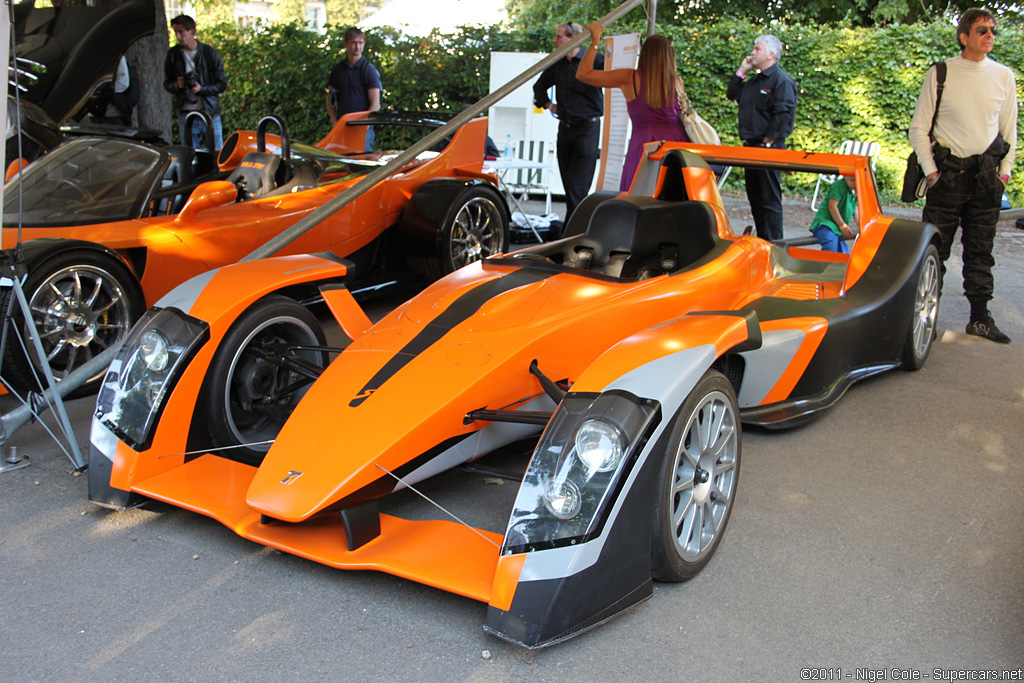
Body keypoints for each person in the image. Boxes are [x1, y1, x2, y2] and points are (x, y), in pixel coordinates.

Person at [909, 8, 1017, 344]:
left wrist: (1005, 171)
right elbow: (918, 128)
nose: (990, 36)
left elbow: (1009, 129)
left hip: (986, 178)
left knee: (981, 252)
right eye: (982, 30)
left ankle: (980, 319)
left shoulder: (1004, 76)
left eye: (992, 31)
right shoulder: (941, 73)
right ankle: (924, 318)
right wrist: (931, 173)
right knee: (934, 252)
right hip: (948, 177)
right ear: (964, 36)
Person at [577, 24, 689, 193]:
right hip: (677, 147)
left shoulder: (630, 77)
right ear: (669, 57)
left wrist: (595, 42)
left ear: (644, 54)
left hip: (644, 146)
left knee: (639, 198)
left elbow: (583, 74)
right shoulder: (676, 82)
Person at [726, 34, 797, 241]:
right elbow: (733, 93)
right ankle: (763, 243)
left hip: (769, 149)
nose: (753, 52)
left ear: (771, 54)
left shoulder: (782, 81)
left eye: (757, 49)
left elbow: (783, 115)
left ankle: (775, 246)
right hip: (750, 147)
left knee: (769, 201)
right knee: (756, 199)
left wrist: (768, 142)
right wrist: (742, 70)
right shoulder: (755, 81)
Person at [532, 22, 604, 221]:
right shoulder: (557, 64)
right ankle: (574, 229)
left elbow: (615, 76)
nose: (555, 41)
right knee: (569, 186)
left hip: (588, 128)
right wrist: (548, 105)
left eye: (559, 36)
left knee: (577, 188)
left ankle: (572, 231)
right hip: (565, 129)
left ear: (572, 38)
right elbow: (538, 88)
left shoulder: (596, 60)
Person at [163, 14, 227, 149]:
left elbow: (222, 84)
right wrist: (177, 85)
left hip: (209, 112)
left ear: (191, 31)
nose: (178, 37)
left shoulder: (210, 54)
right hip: (186, 113)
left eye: (181, 32)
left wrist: (201, 89)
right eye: (175, 32)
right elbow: (167, 82)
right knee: (190, 157)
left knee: (216, 155)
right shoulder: (173, 55)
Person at [326, 27, 382, 152]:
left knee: (360, 165)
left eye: (360, 43)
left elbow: (375, 105)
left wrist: (364, 126)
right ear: (345, 44)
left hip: (362, 130)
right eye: (353, 43)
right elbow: (330, 100)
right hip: (342, 127)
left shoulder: (369, 70)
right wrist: (335, 123)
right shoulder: (337, 70)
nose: (357, 47)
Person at [809, 176, 857, 253]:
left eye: (858, 180)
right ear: (845, 176)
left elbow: (856, 210)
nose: (855, 183)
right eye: (852, 180)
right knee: (830, 247)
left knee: (844, 253)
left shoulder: (856, 190)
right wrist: (843, 225)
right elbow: (832, 206)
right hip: (825, 224)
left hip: (837, 228)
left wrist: (863, 226)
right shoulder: (839, 185)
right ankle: (825, 263)